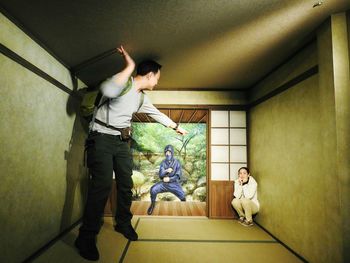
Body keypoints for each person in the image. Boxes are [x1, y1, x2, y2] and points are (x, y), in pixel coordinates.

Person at [75, 46, 187, 261]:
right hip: (101, 138)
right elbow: (107, 90)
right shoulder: (122, 84)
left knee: (126, 184)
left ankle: (123, 223)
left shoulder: (141, 99)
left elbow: (156, 114)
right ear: (150, 74)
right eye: (157, 78)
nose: (157, 83)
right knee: (102, 185)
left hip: (122, 142)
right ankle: (86, 237)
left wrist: (175, 127)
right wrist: (130, 66)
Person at [147, 145, 186, 215]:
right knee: (153, 189)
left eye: (169, 152)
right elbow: (160, 175)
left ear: (172, 153)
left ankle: (184, 208)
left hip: (173, 184)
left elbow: (178, 175)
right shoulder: (163, 162)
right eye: (166, 152)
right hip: (163, 184)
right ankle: (152, 205)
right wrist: (166, 171)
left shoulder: (177, 163)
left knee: (182, 196)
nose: (167, 154)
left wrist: (170, 179)